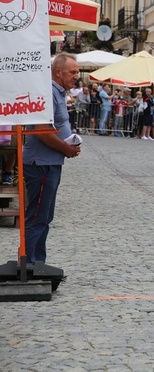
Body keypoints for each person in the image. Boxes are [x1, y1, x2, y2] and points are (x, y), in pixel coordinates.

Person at [24, 53, 82, 265]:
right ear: (58, 72)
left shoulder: (57, 93)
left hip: (49, 163)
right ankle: (30, 263)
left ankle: (38, 261)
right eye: (72, 72)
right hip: (41, 164)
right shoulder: (48, 92)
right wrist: (66, 148)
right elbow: (40, 131)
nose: (77, 76)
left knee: (44, 217)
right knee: (37, 216)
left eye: (77, 72)